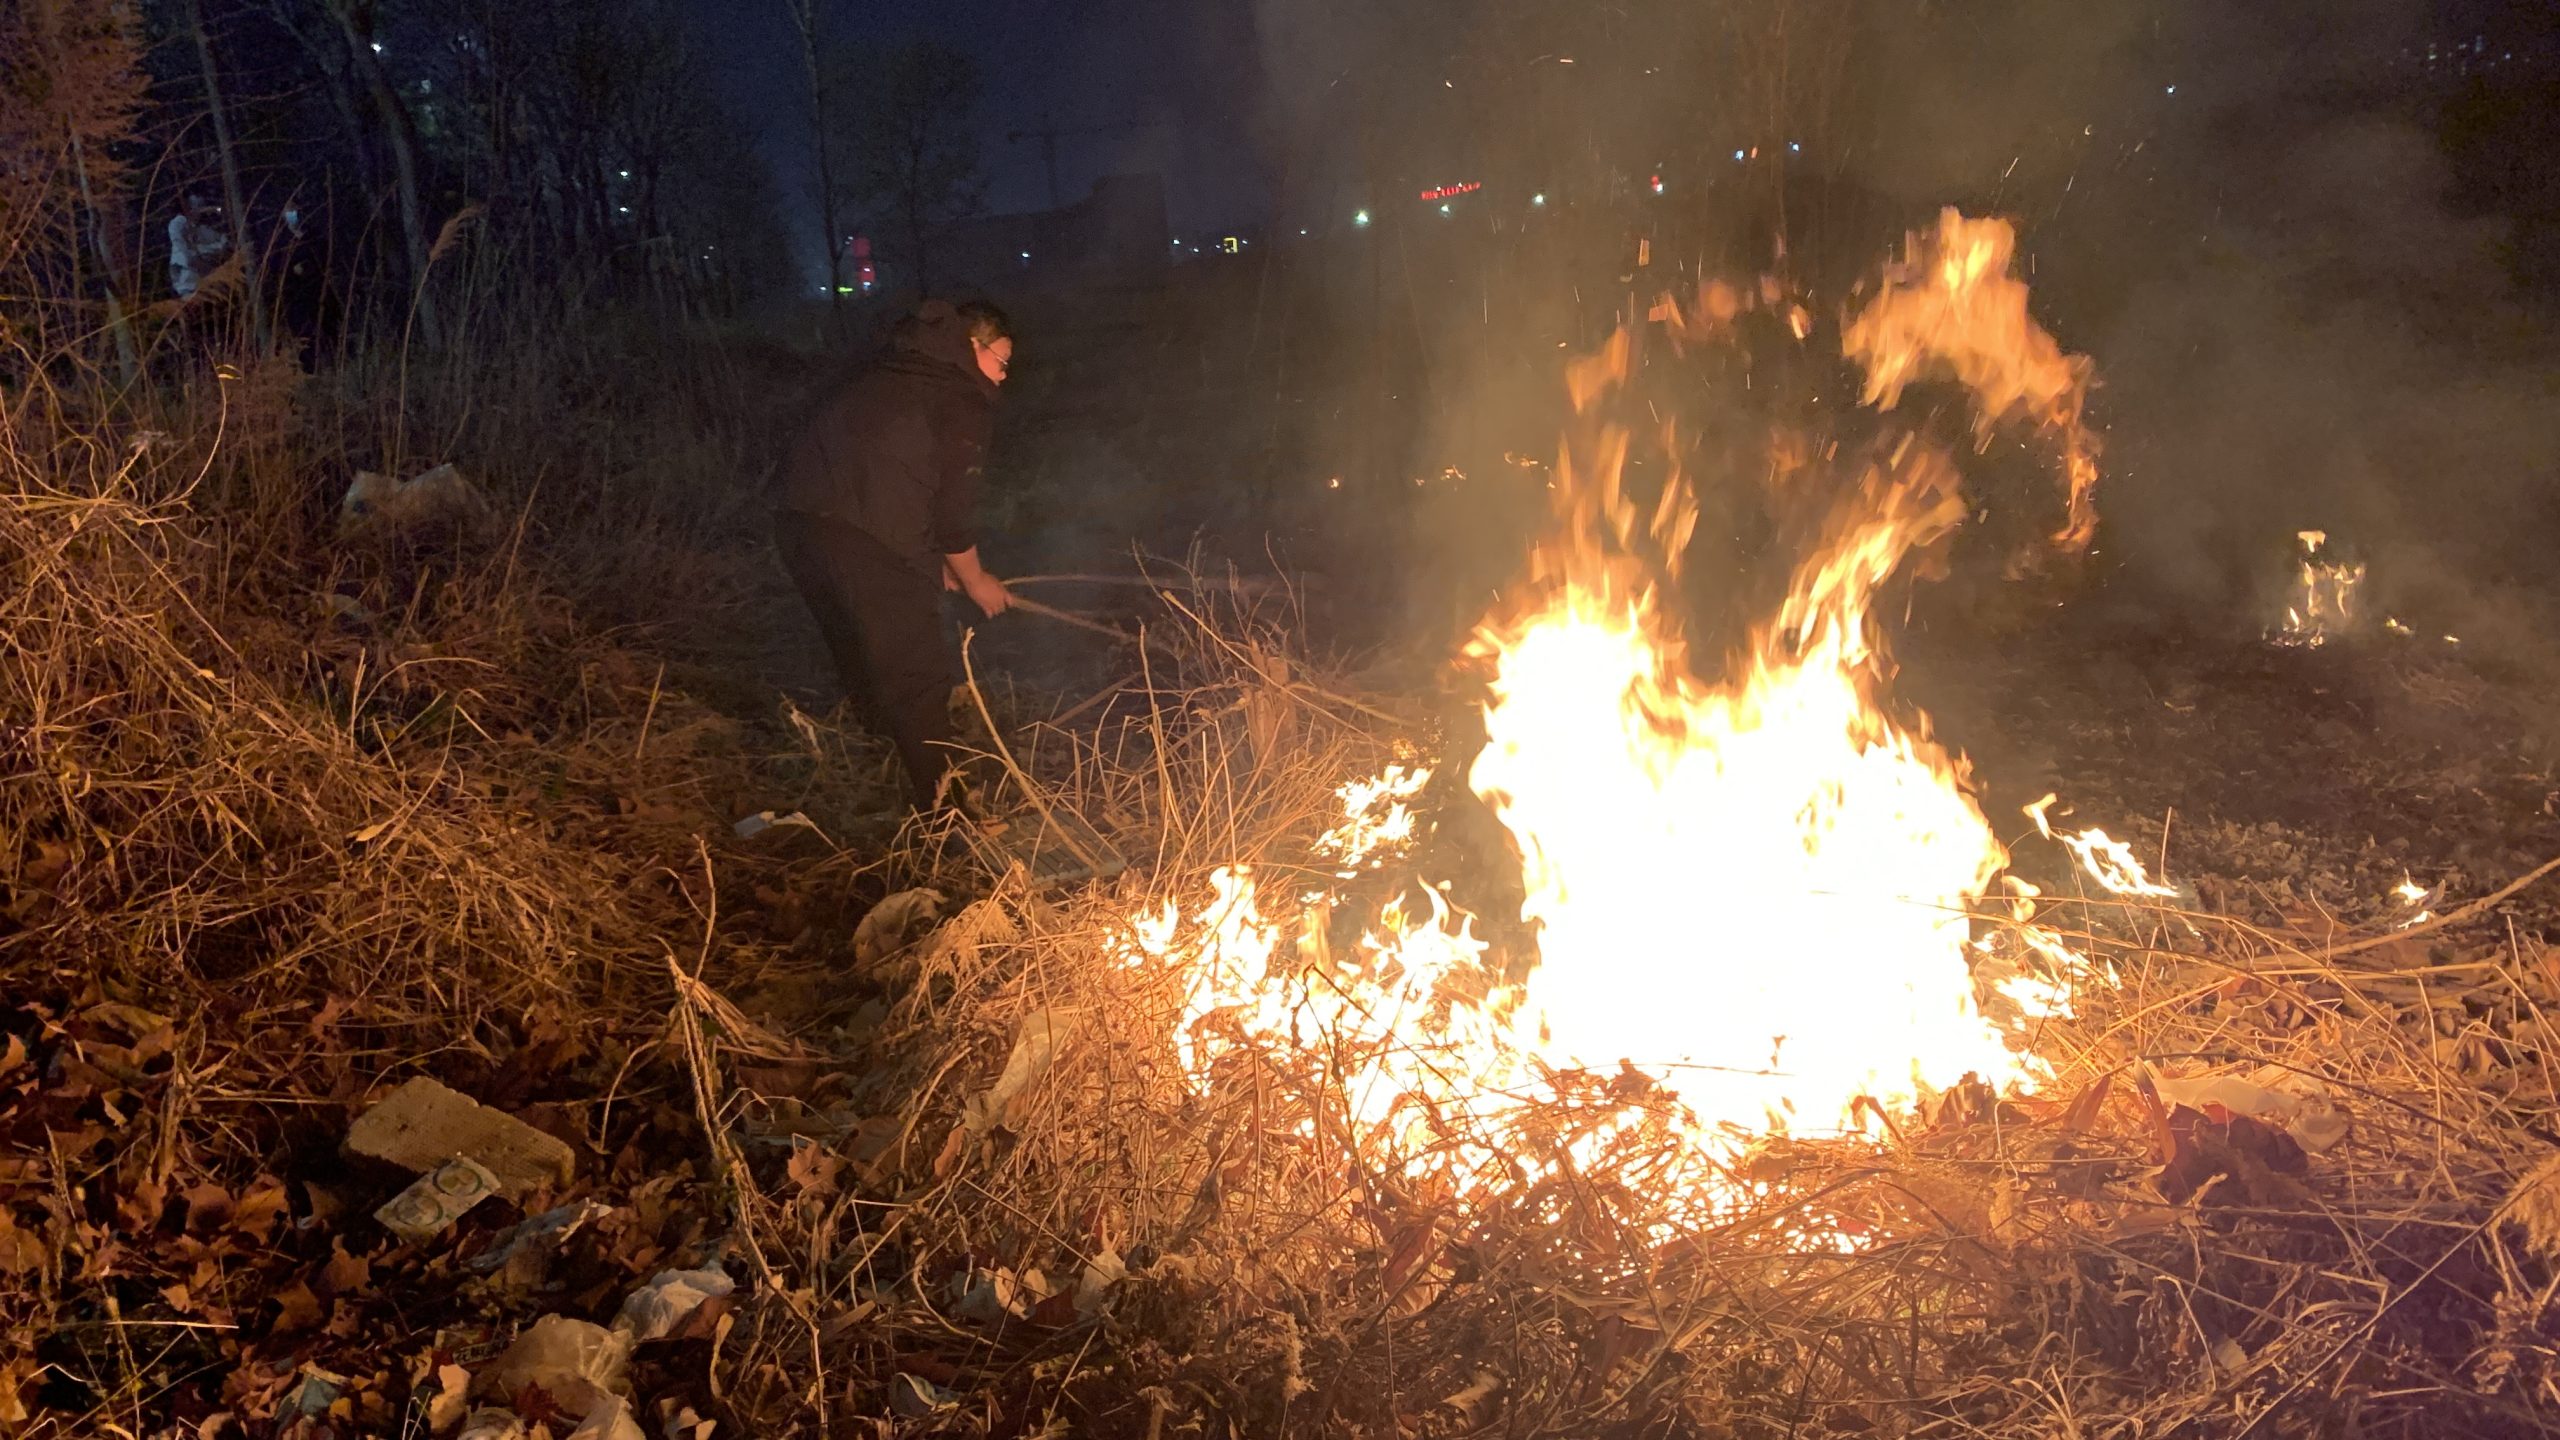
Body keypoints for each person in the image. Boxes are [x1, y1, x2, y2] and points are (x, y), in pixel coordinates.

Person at [776, 298, 1016, 815]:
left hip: (799, 524)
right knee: (917, 672)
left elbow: (897, 475)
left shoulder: (891, 370)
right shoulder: (959, 397)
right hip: (865, 533)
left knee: (863, 649)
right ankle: (947, 810)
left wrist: (933, 566)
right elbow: (952, 511)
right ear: (973, 346)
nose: (1001, 378)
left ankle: (885, 765)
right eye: (1001, 362)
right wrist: (975, 579)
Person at [168, 190, 229, 299]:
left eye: (201, 207)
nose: (199, 211)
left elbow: (223, 242)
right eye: (195, 207)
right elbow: (189, 258)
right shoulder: (178, 224)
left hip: (207, 286)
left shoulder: (202, 230)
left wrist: (217, 210)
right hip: (187, 286)